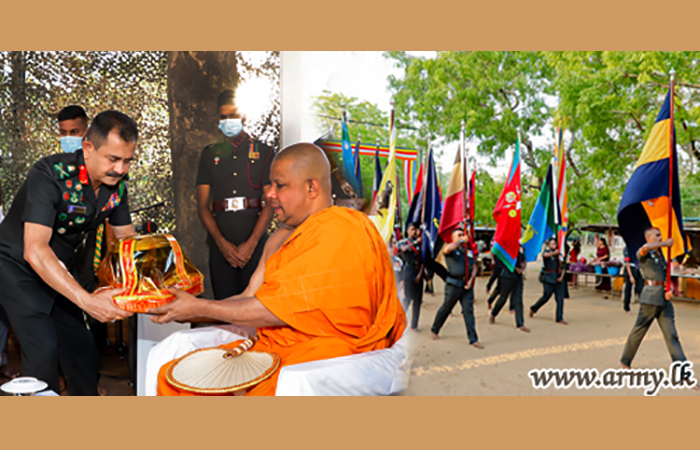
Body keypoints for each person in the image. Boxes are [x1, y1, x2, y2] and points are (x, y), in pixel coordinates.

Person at [151, 143, 406, 396]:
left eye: (279, 185)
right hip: (274, 345)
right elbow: (249, 298)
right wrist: (183, 310)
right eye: (270, 185)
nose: (269, 194)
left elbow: (275, 311)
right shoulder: (279, 238)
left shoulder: (341, 230)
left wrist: (198, 308)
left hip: (325, 354)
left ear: (311, 187)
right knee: (173, 378)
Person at [0, 110, 137, 395]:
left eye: (127, 160)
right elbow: (35, 249)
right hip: (17, 267)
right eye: (113, 159)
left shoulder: (117, 186)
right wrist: (87, 301)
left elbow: (126, 240)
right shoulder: (50, 174)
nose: (121, 169)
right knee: (43, 348)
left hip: (59, 267)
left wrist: (144, 287)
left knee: (80, 347)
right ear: (88, 148)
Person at [197, 89, 274, 300]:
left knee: (254, 308)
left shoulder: (264, 152)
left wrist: (251, 244)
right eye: (223, 117)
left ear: (244, 117)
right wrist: (222, 244)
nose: (228, 121)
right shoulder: (209, 154)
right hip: (220, 248)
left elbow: (270, 202)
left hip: (255, 246)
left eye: (233, 115)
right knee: (225, 310)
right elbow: (203, 206)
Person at [620, 228, 696, 390]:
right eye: (657, 235)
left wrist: (668, 291)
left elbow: (663, 276)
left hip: (664, 299)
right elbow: (644, 249)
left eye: (661, 235)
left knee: (672, 336)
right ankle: (625, 361)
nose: (661, 237)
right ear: (648, 238)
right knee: (639, 331)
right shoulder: (644, 252)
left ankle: (685, 375)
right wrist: (664, 243)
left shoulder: (660, 255)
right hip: (650, 298)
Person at [430, 225, 483, 348]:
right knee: (446, 308)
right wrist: (460, 241)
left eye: (462, 234)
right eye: (458, 235)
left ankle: (473, 339)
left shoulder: (467, 252)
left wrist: (471, 279)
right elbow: (446, 250)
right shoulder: (451, 249)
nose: (462, 236)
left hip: (466, 285)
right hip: (453, 285)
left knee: (468, 312)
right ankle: (435, 328)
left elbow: (474, 266)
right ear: (453, 238)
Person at [489, 245, 530, 332]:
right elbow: (504, 261)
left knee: (518, 300)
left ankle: (520, 323)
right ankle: (493, 313)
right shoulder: (507, 249)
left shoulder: (521, 248)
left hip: (518, 277)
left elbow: (524, 260)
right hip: (507, 276)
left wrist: (522, 269)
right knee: (503, 298)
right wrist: (515, 268)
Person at [529, 238, 568, 324]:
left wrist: (561, 277)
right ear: (549, 245)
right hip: (549, 278)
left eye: (555, 243)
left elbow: (564, 267)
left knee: (560, 299)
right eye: (552, 243)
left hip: (558, 279)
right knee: (546, 297)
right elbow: (545, 255)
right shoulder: (548, 252)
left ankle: (559, 317)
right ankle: (533, 308)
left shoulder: (560, 255)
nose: (554, 245)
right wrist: (554, 253)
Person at [397, 222, 424, 331]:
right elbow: (403, 249)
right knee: (407, 298)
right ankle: (399, 322)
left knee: (417, 301)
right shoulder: (403, 242)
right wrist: (415, 242)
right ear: (407, 231)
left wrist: (420, 274)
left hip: (418, 272)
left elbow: (423, 260)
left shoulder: (422, 244)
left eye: (416, 229)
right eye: (412, 229)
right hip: (408, 271)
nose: (415, 231)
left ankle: (414, 325)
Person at [622, 246, 643, 315]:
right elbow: (627, 263)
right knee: (628, 289)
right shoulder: (627, 249)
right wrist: (631, 276)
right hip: (630, 269)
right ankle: (626, 308)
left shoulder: (639, 247)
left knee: (641, 289)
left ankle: (642, 309)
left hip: (638, 269)